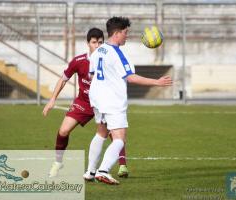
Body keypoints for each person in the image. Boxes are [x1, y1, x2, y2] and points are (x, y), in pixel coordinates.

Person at [85, 17, 172, 185]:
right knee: (119, 139)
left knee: (101, 133)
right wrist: (157, 82)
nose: (127, 36)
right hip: (112, 101)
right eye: (125, 32)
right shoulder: (119, 53)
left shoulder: (98, 51)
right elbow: (131, 77)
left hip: (97, 98)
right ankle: (103, 171)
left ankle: (90, 171)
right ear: (117, 33)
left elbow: (92, 74)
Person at [42, 28, 129, 179]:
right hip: (83, 103)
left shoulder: (108, 58)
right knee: (63, 131)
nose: (97, 45)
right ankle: (58, 162)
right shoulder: (79, 61)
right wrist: (52, 99)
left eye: (100, 42)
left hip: (102, 103)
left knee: (114, 133)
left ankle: (122, 165)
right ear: (88, 43)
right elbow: (63, 79)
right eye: (94, 42)